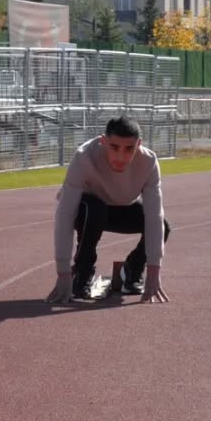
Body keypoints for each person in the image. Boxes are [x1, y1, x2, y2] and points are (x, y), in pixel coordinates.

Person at [46, 116, 170, 303]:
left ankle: (131, 271)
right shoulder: (84, 156)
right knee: (95, 209)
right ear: (103, 141)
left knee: (163, 226)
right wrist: (62, 271)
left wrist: (154, 270)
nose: (121, 157)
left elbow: (154, 216)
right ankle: (81, 273)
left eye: (129, 149)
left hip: (121, 207)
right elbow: (65, 215)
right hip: (87, 210)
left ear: (139, 144)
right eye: (114, 147)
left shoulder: (149, 162)